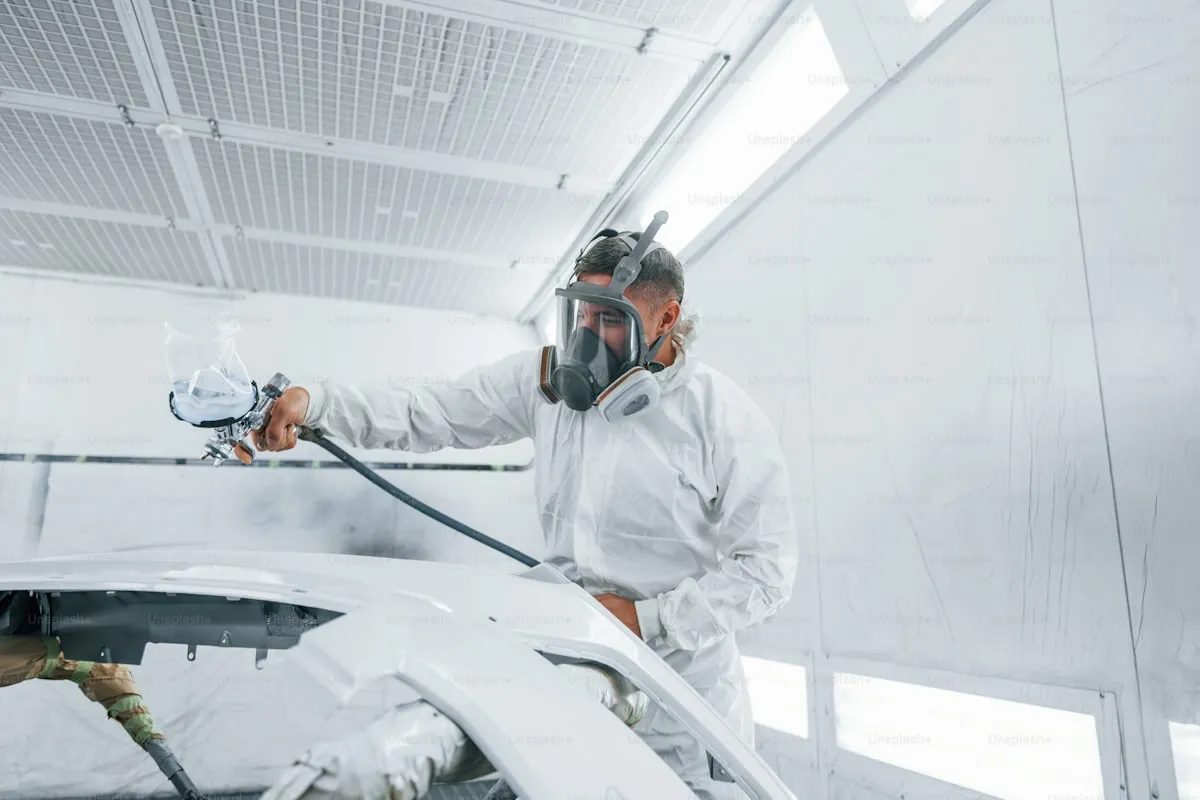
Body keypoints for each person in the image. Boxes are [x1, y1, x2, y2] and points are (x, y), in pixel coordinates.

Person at [253, 218, 799, 799]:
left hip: (682, 699)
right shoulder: (547, 388)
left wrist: (646, 620)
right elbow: (427, 411)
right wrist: (317, 403)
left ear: (666, 320)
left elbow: (766, 573)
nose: (586, 337)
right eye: (580, 316)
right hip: (569, 661)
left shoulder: (723, 418)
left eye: (611, 319)